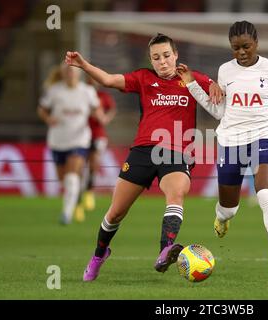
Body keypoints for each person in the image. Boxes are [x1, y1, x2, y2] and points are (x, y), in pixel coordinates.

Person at [64, 33, 222, 281]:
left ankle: (165, 251)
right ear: (151, 60)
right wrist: (83, 65)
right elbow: (107, 79)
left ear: (176, 55)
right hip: (143, 151)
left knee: (176, 194)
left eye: (167, 56)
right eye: (156, 57)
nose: (162, 62)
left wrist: (215, 83)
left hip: (178, 152)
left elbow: (221, 89)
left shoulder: (191, 78)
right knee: (115, 213)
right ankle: (99, 254)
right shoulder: (143, 78)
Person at [176, 21, 268, 286]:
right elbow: (219, 112)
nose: (241, 52)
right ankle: (222, 217)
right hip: (230, 140)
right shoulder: (225, 71)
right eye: (235, 48)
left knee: (266, 194)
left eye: (246, 46)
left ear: (257, 43)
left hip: (264, 137)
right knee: (229, 208)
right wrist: (193, 85)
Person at [37, 63, 107, 225]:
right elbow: (42, 109)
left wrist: (100, 116)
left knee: (72, 175)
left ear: (78, 74)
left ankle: (67, 214)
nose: (69, 73)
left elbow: (97, 108)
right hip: (58, 140)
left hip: (79, 140)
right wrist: (48, 119)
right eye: (67, 71)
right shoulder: (55, 91)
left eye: (72, 71)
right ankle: (75, 200)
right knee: (64, 180)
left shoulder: (87, 91)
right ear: (62, 73)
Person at [80, 75, 117, 215]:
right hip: (81, 134)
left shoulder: (103, 95)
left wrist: (105, 118)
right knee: (80, 164)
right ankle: (80, 193)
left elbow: (112, 109)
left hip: (98, 134)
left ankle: (89, 191)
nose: (93, 80)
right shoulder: (82, 93)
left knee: (94, 163)